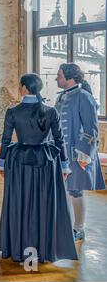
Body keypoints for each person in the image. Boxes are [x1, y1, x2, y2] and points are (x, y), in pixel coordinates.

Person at [0, 73, 77, 263]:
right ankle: (43, 247)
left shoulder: (13, 112)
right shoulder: (50, 111)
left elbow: (6, 139)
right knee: (43, 203)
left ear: (25, 88)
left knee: (20, 201)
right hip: (45, 162)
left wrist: (1, 163)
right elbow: (60, 140)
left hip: (19, 163)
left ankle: (19, 247)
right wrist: (65, 165)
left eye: (20, 85)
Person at [55, 63, 106, 241]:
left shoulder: (84, 97)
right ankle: (67, 225)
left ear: (69, 78)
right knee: (65, 191)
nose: (57, 78)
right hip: (61, 153)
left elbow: (91, 129)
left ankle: (79, 228)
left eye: (59, 75)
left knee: (76, 191)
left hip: (76, 154)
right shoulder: (61, 97)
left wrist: (84, 154)